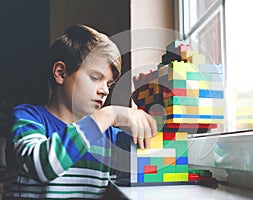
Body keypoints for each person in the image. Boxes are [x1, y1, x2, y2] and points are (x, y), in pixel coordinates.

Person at [4, 24, 157, 199]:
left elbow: (154, 150)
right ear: (61, 73)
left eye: (109, 84)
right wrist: (108, 114)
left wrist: (151, 104)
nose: (105, 91)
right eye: (95, 78)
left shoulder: (109, 137)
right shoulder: (27, 118)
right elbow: (41, 166)